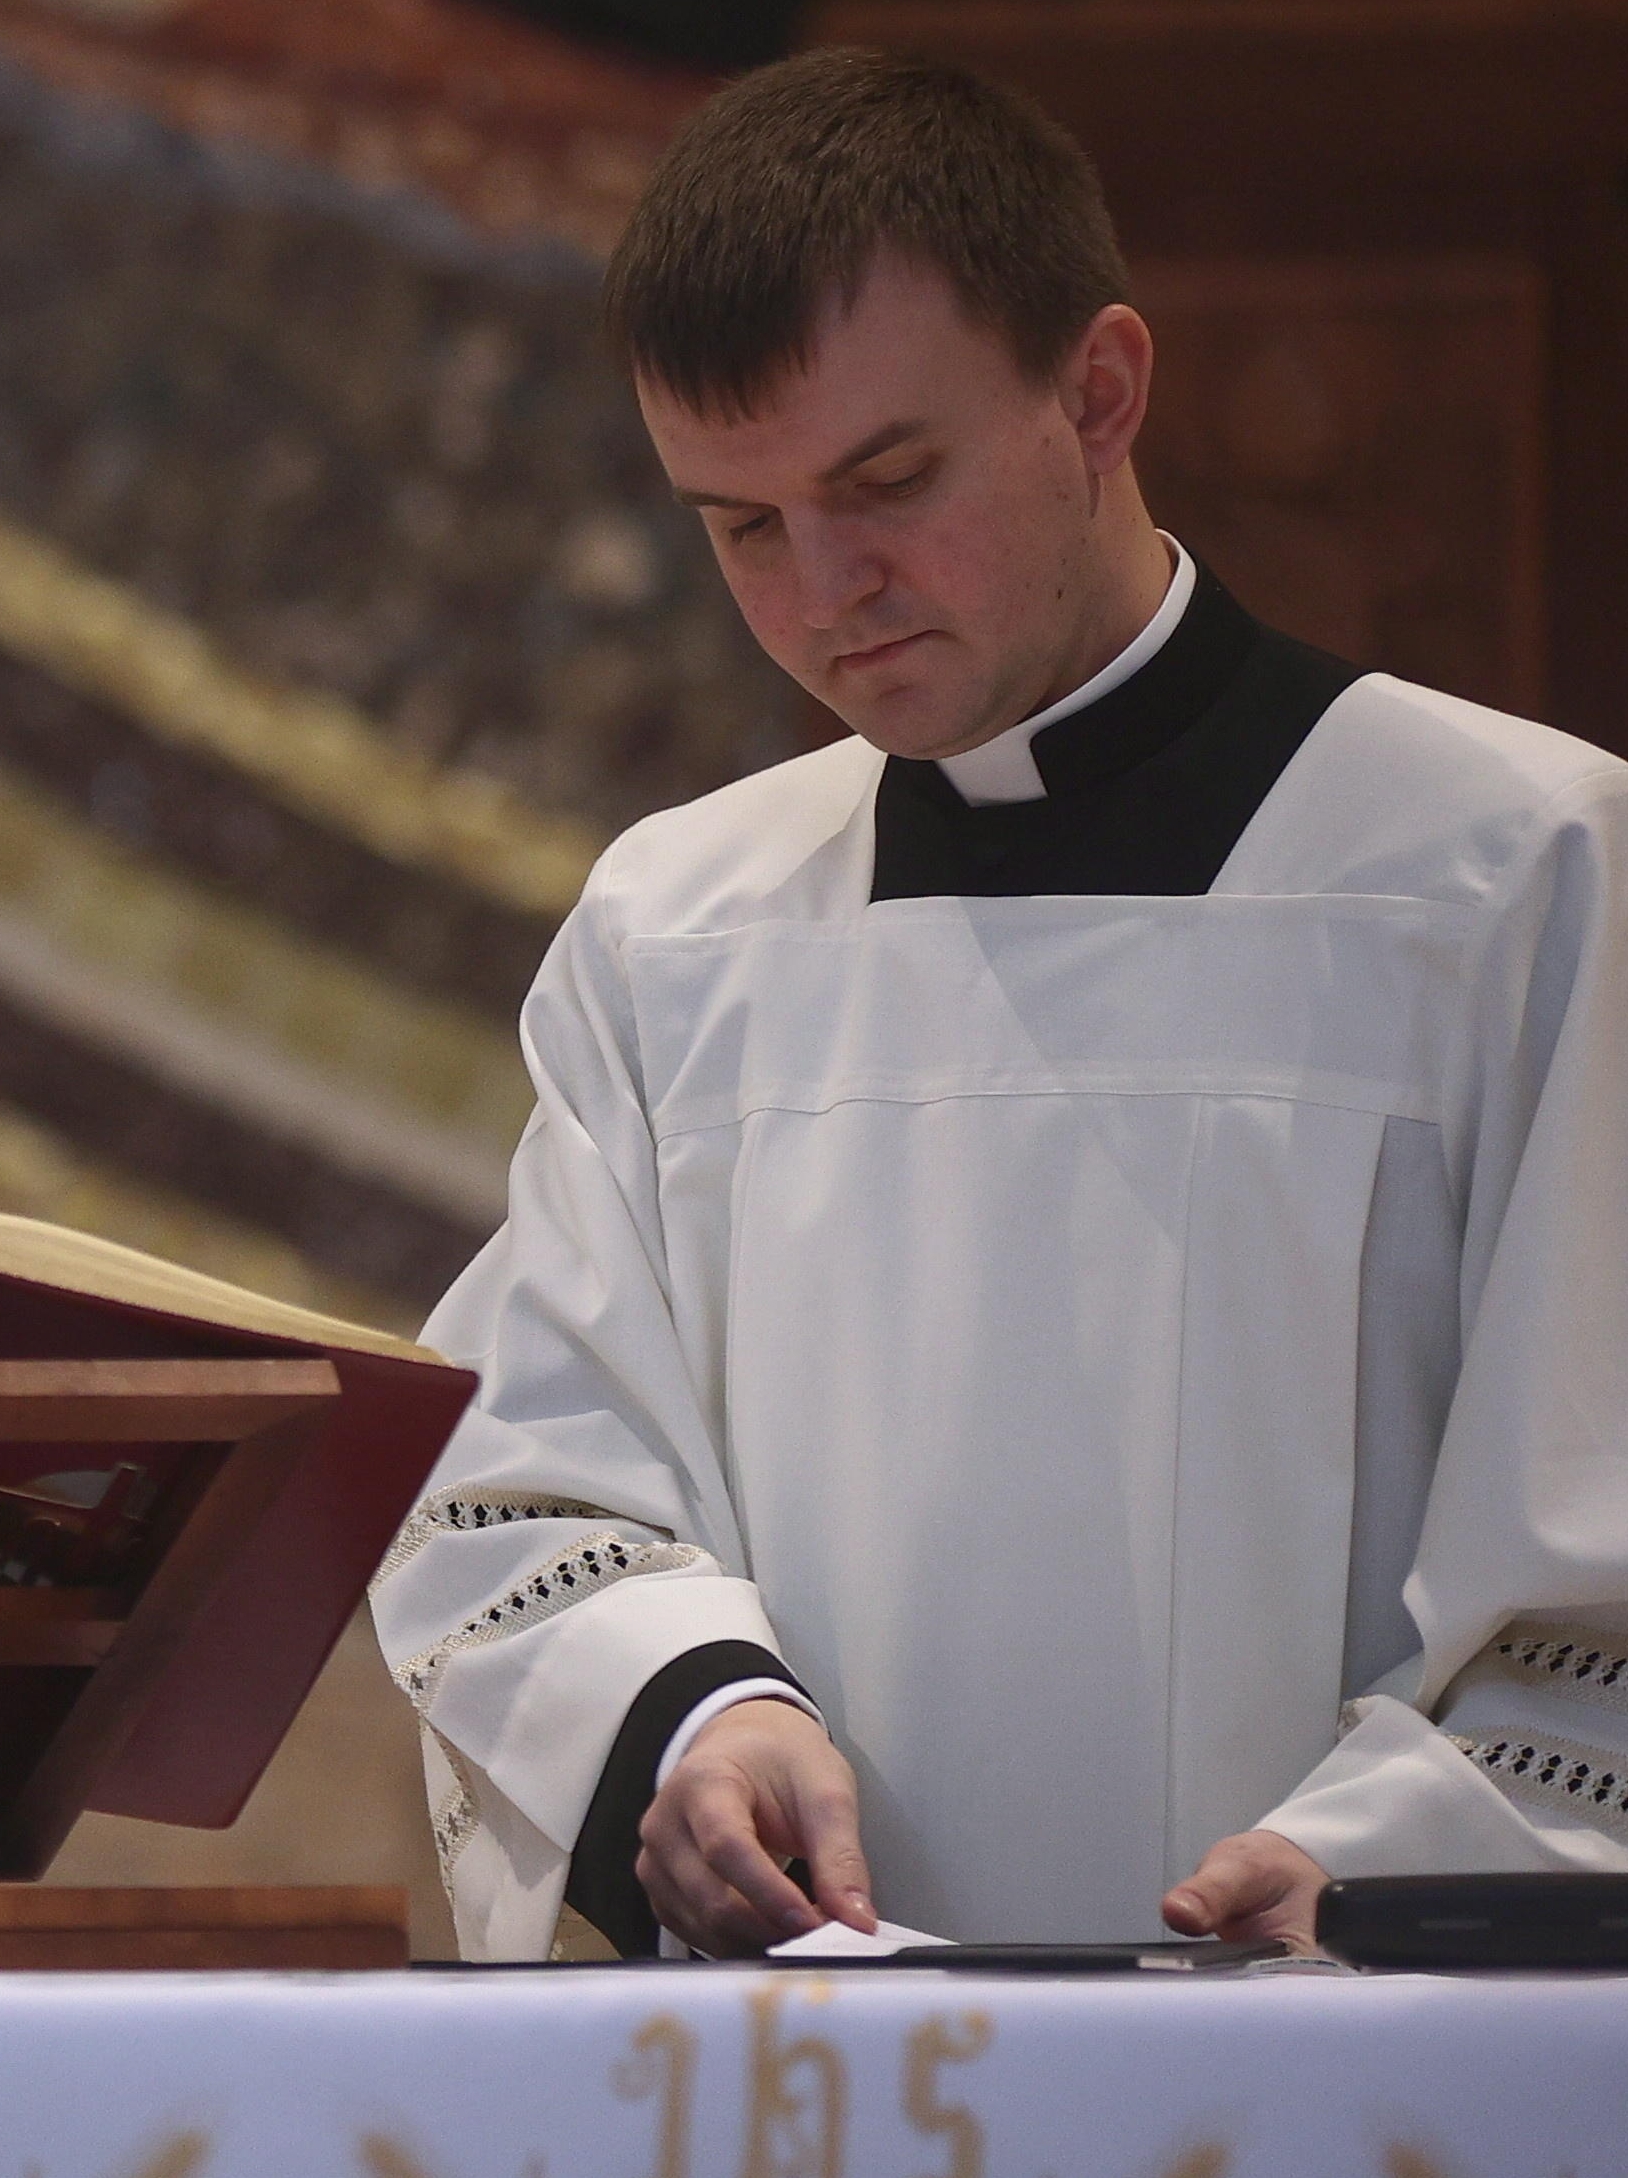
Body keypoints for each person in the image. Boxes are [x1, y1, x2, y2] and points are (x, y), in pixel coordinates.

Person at [374, 51, 1622, 1960]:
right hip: (829, 2111)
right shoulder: (674, 930)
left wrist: (1395, 1869)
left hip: (1350, 2092)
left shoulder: (1516, 874)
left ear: (1096, 392)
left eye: (885, 483)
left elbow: (1587, 1571)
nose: (823, 594)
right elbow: (521, 1489)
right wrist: (699, 1713)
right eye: (739, 526)